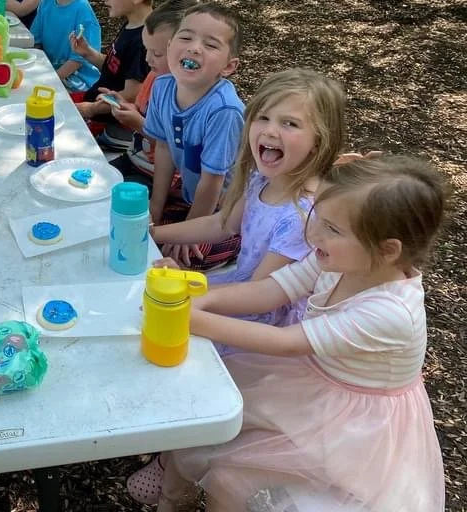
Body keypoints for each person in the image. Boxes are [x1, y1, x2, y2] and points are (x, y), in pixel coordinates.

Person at [131, 155, 449, 512]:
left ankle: (184, 494)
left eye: (332, 229)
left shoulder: (391, 313)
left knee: (231, 478)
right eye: (320, 220)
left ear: (388, 249)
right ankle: (174, 497)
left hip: (355, 429)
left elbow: (287, 343)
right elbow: (272, 289)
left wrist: (190, 318)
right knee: (205, 411)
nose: (313, 234)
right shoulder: (341, 258)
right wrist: (203, 298)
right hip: (313, 383)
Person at [154, 69, 347, 334]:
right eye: (263, 117)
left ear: (319, 141)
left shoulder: (301, 218)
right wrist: (153, 233)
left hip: (258, 321)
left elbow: (258, 296)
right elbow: (222, 225)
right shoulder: (261, 179)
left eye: (289, 123)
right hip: (234, 292)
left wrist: (186, 283)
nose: (270, 131)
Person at [145, 2, 245, 270]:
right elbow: (164, 148)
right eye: (186, 37)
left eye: (210, 45)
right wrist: (155, 208)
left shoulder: (224, 110)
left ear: (228, 66)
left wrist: (189, 231)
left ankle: (235, 250)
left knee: (175, 258)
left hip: (226, 213)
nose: (194, 47)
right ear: (169, 47)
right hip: (191, 192)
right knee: (130, 213)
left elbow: (213, 182)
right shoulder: (162, 86)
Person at [70, 0, 158, 142]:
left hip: (108, 120)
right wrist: (88, 53)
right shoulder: (131, 23)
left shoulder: (144, 41)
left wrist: (91, 109)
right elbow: (115, 69)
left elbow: (131, 94)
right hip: (94, 101)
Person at [109, 0, 198, 185]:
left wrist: (138, 123)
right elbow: (143, 110)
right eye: (146, 50)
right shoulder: (154, 76)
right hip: (135, 160)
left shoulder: (186, 96)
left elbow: (172, 146)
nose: (148, 59)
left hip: (160, 177)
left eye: (157, 54)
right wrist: (125, 105)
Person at [29, 0, 102, 97]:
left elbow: (78, 59)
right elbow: (35, 41)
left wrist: (50, 79)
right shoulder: (46, 2)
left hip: (78, 79)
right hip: (50, 70)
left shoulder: (82, 11)